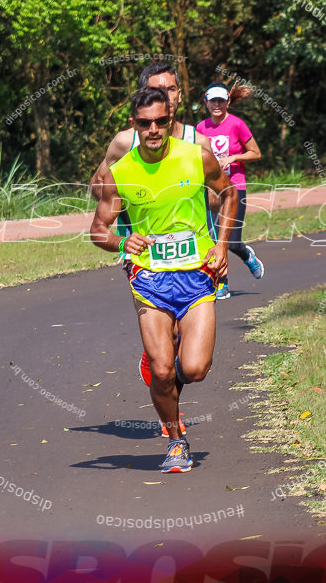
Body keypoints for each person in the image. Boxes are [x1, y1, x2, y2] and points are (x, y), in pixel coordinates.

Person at [90, 86, 236, 473]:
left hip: (197, 276)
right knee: (162, 369)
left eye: (160, 121)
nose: (153, 129)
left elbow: (230, 194)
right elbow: (98, 230)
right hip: (150, 278)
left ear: (170, 120)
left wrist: (221, 247)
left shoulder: (197, 155)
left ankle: (167, 377)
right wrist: (123, 240)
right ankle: (175, 441)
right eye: (144, 123)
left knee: (193, 370)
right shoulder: (118, 172)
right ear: (133, 125)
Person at [196, 82, 264, 299]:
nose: (217, 105)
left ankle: (246, 255)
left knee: (232, 241)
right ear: (206, 102)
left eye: (221, 101)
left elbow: (256, 153)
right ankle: (221, 284)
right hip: (211, 190)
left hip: (235, 186)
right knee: (213, 239)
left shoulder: (237, 124)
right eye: (212, 100)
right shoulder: (200, 128)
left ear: (228, 102)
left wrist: (234, 157)